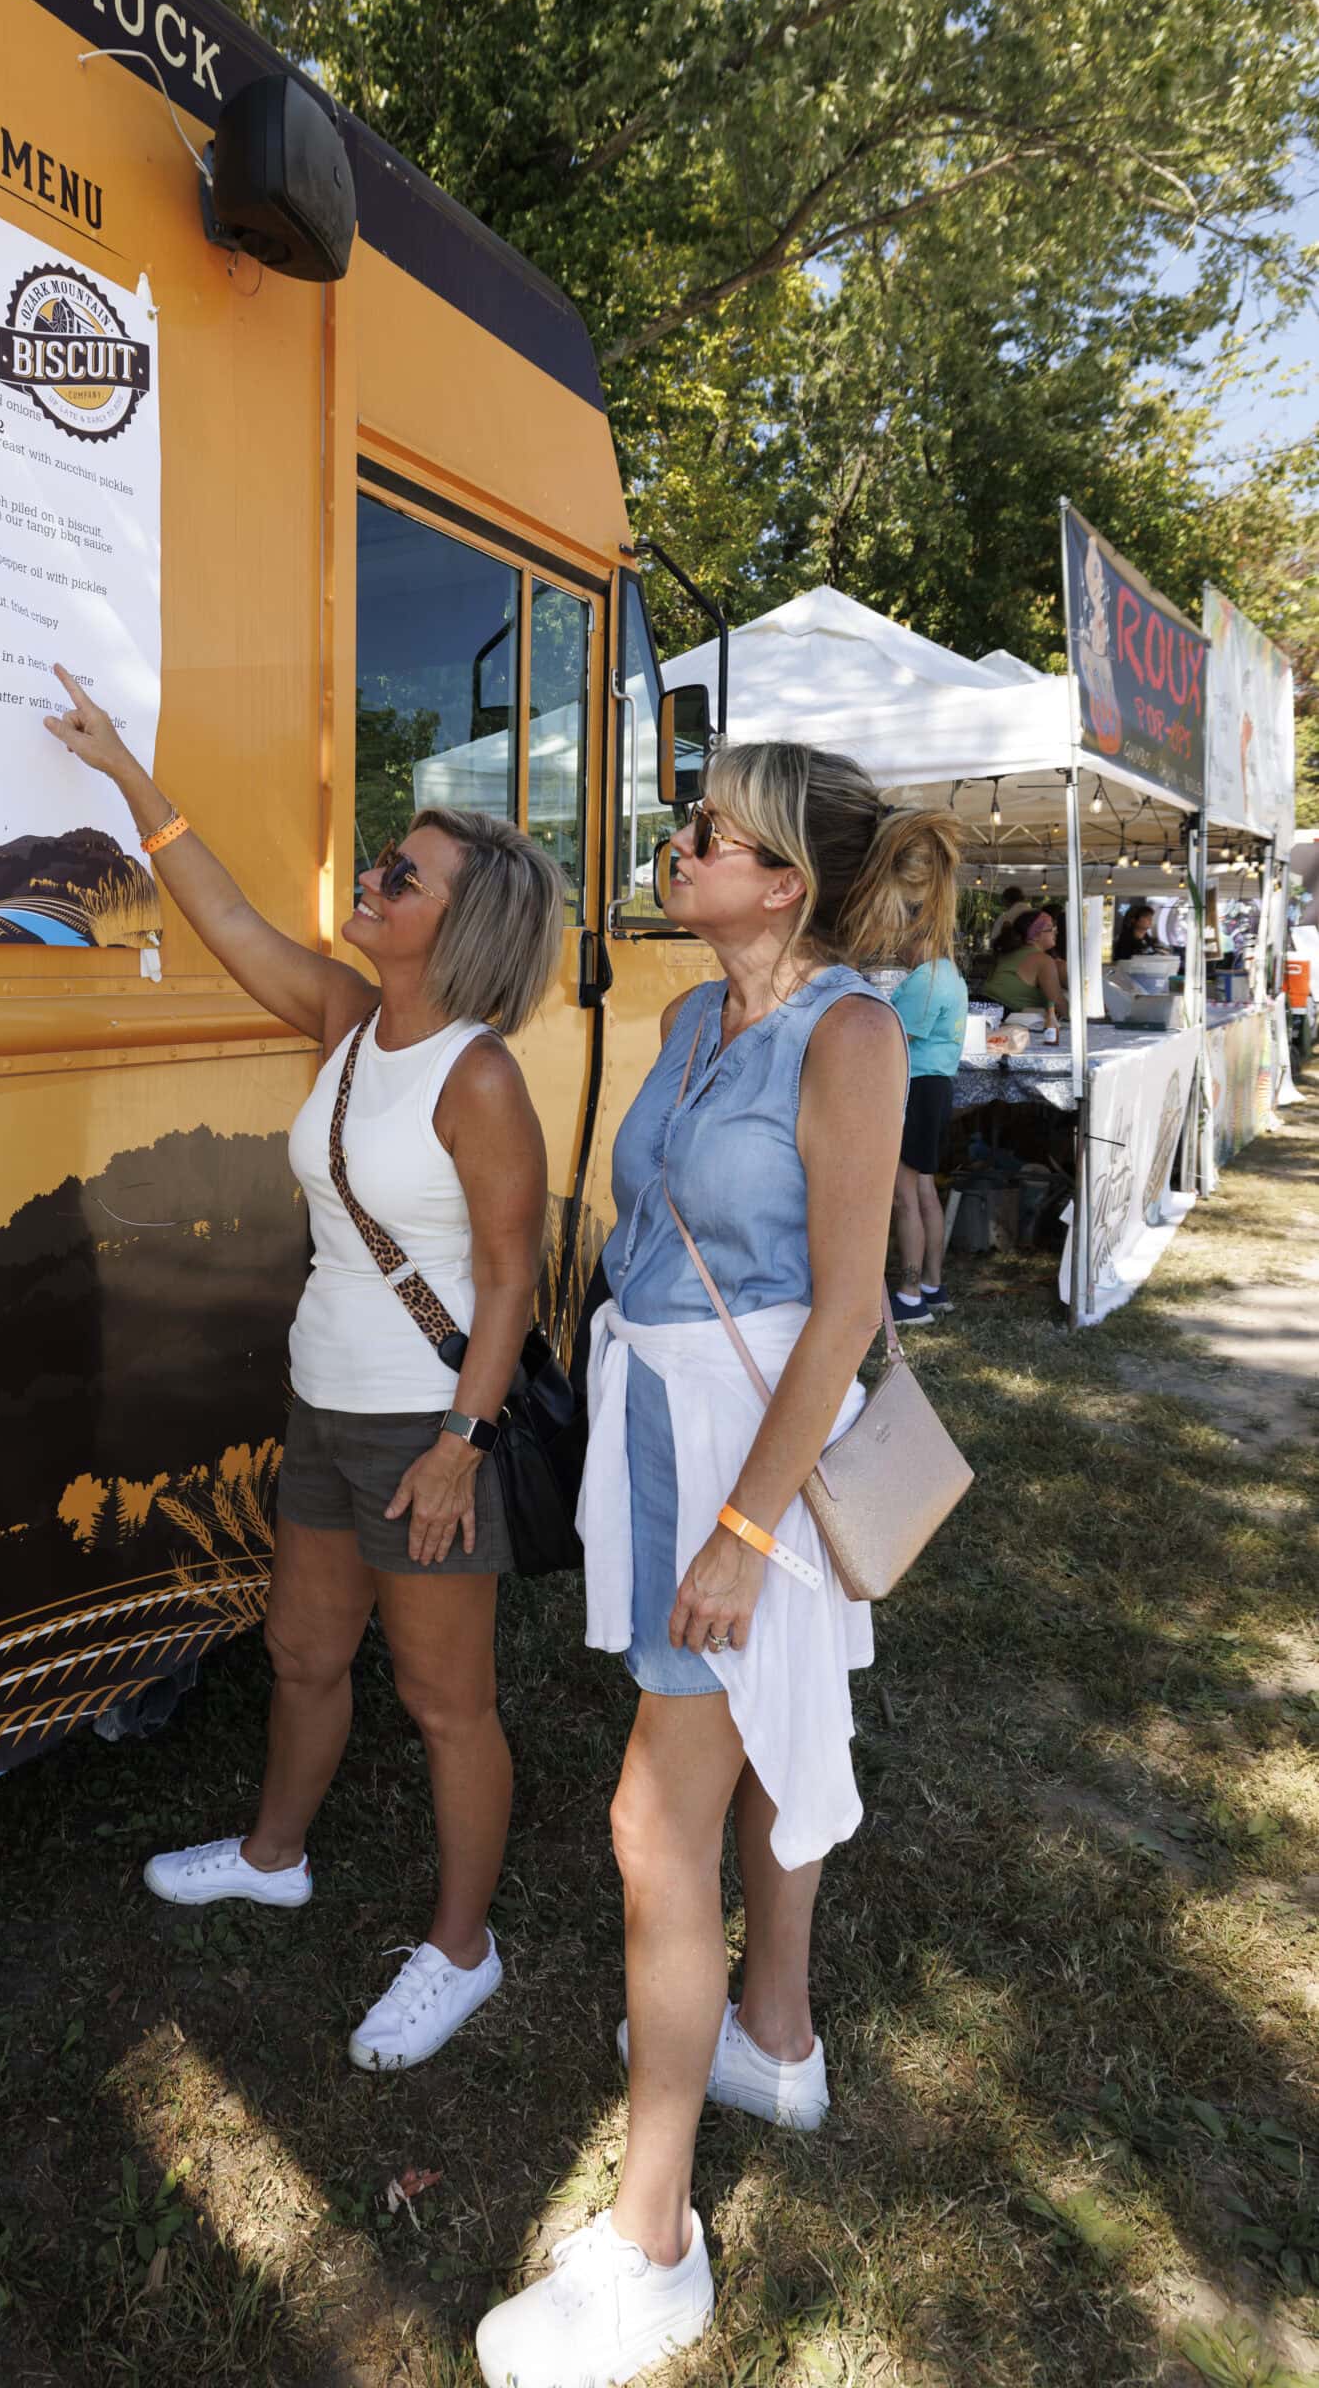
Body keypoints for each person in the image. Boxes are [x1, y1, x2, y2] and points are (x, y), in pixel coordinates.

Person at [476, 743, 960, 2388]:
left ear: (784, 885)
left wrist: (748, 1532)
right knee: (752, 1744)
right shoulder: (693, 1019)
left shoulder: (849, 1033)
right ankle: (772, 2036)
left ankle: (652, 2243)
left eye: (708, 835)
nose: (674, 849)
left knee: (648, 1818)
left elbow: (842, 1308)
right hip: (665, 1426)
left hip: (757, 1450)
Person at [44, 666, 564, 2071]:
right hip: (326, 1403)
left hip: (423, 1428)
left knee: (448, 1700)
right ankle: (277, 1855)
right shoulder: (347, 1021)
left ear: (462, 929)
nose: (380, 878)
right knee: (300, 1649)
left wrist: (464, 1442)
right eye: (389, 860)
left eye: (408, 874)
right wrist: (126, 778)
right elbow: (220, 917)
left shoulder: (479, 1077)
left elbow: (512, 1278)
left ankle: (464, 1948)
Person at [888, 927, 969, 1327]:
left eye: (901, 940)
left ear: (922, 938)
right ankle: (933, 1287)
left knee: (904, 1197)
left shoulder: (927, 978)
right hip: (935, 1085)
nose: (897, 948)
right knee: (923, 1190)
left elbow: (895, 1035)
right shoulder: (950, 974)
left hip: (916, 1087)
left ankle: (910, 1295)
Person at [981, 906, 1064, 1036]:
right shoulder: (1042, 959)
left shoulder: (1010, 952)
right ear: (1035, 936)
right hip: (1005, 1021)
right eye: (1050, 929)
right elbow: (1058, 1002)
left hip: (983, 1014)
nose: (1056, 932)